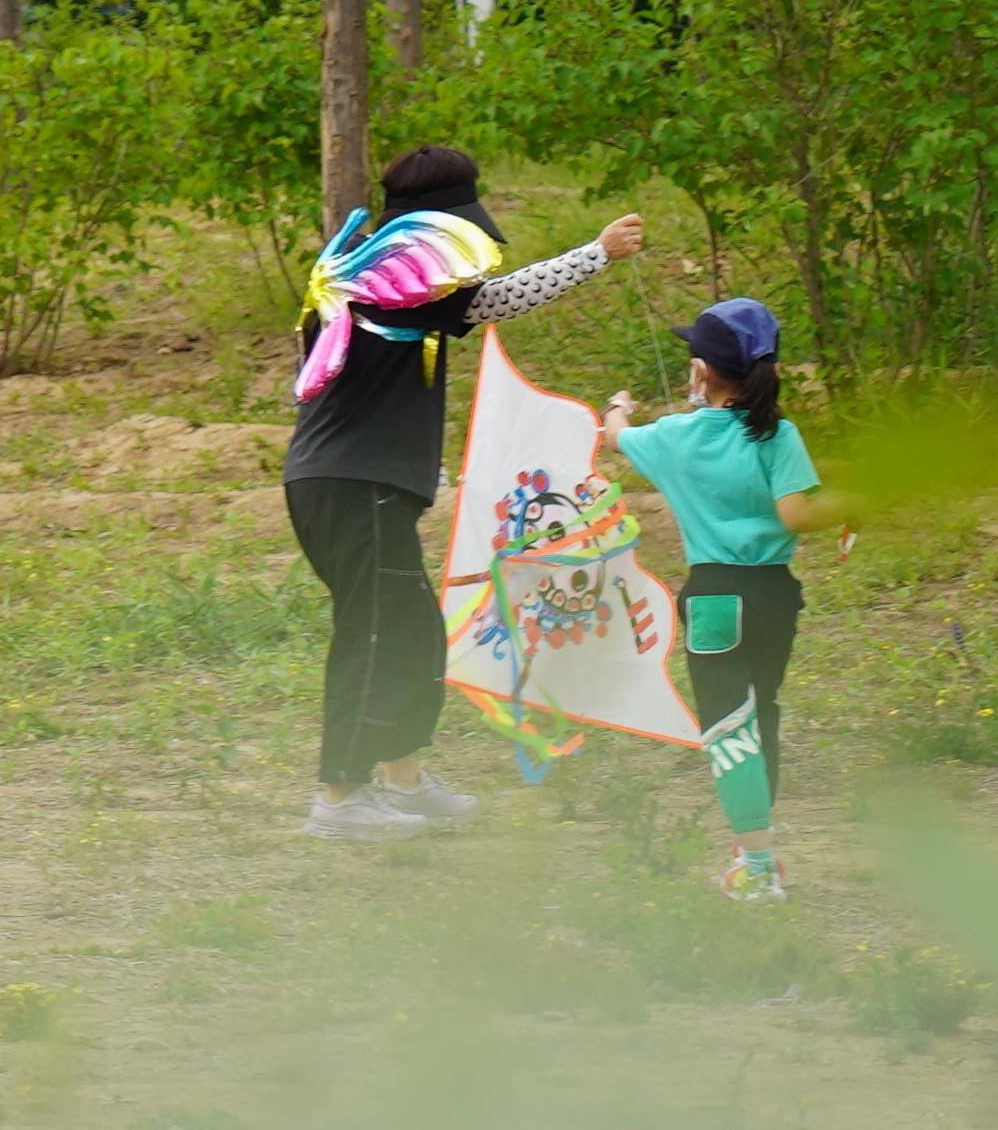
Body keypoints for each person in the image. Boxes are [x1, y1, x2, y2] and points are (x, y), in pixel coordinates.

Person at [286, 145, 642, 842]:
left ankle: (401, 782)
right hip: (356, 487)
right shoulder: (394, 286)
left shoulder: (361, 280)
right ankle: (338, 801)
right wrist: (595, 253)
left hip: (347, 486)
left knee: (410, 632)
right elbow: (502, 298)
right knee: (379, 634)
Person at [602, 296, 820, 902]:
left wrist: (617, 408)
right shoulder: (780, 434)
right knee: (762, 711)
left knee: (730, 728)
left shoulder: (675, 436)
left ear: (700, 372)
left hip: (716, 598)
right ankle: (754, 849)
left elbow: (616, 438)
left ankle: (756, 869)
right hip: (776, 596)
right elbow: (796, 513)